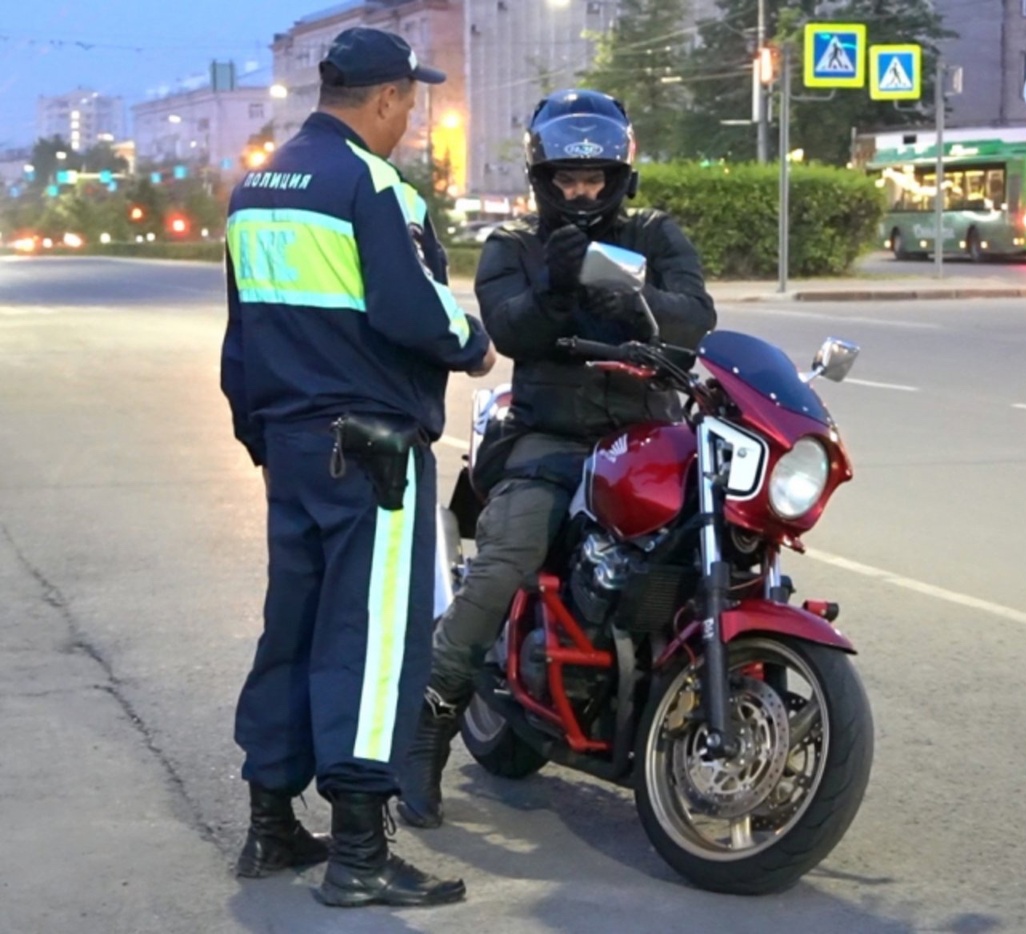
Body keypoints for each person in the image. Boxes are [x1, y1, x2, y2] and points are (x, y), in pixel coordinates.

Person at [220, 26, 496, 909]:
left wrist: (263, 435)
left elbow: (242, 335)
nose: (410, 121)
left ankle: (271, 825)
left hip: (291, 446)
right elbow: (415, 311)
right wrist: (475, 345)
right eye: (410, 104)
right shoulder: (372, 187)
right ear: (385, 99)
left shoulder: (256, 186)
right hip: (371, 451)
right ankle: (358, 855)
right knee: (375, 644)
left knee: (292, 629)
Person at [396, 88, 716, 829]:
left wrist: (632, 305)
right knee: (506, 559)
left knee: (716, 533)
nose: (582, 191)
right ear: (545, 178)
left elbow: (697, 316)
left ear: (618, 176)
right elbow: (509, 331)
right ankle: (427, 729)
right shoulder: (514, 244)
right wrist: (557, 289)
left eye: (595, 178)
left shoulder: (657, 236)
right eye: (569, 179)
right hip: (552, 436)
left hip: (648, 431)